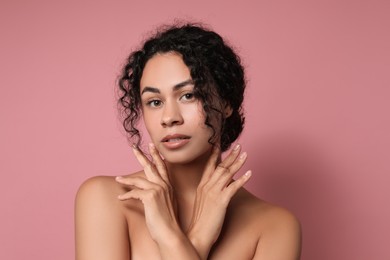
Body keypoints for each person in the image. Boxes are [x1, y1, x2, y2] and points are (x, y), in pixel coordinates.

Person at [75, 23, 302, 260]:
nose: (169, 118)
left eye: (188, 95)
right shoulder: (106, 199)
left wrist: (172, 238)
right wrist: (195, 238)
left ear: (225, 103)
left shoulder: (275, 227)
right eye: (154, 101)